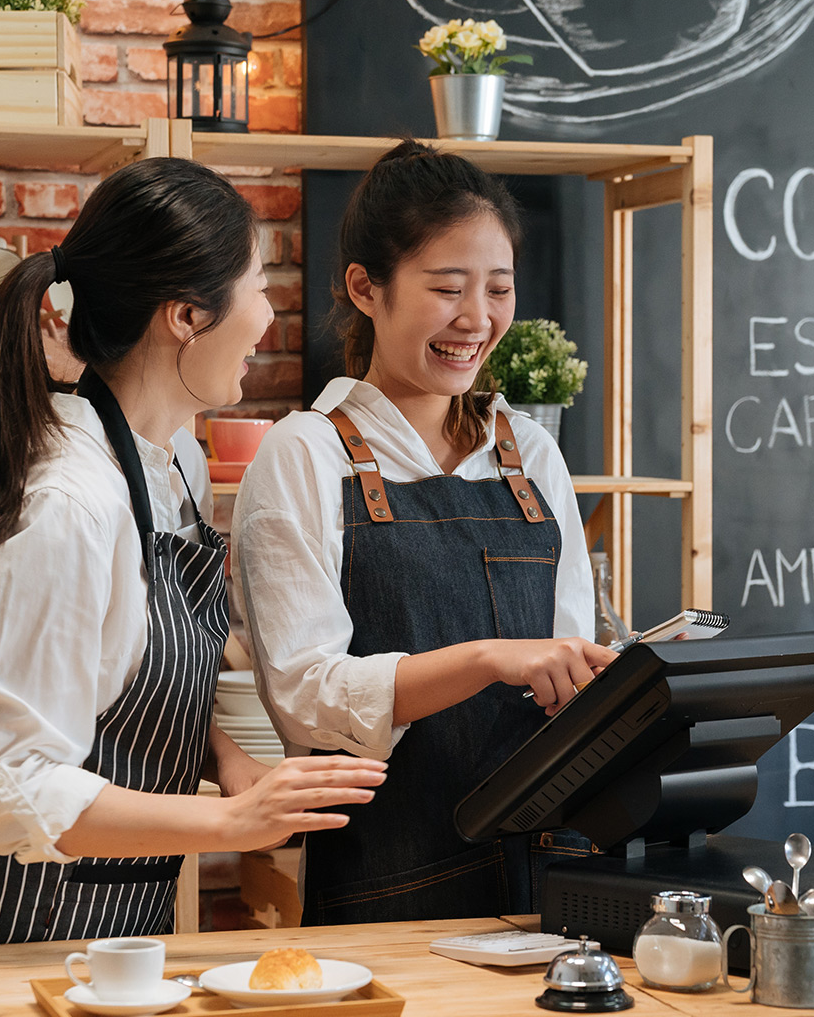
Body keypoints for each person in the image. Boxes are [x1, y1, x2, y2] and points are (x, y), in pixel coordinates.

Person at [0, 157, 385, 952]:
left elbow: (117, 673)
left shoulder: (174, 462)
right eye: (255, 287)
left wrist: (224, 755)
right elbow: (3, 782)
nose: (269, 317)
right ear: (185, 315)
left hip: (110, 932)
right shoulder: (68, 509)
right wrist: (232, 821)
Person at [232, 139, 615, 927]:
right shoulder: (306, 453)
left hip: (554, 881)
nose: (477, 320)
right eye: (447, 289)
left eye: (498, 289)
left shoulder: (530, 452)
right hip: (391, 886)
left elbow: (564, 665)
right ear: (365, 289)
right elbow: (308, 701)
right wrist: (482, 661)